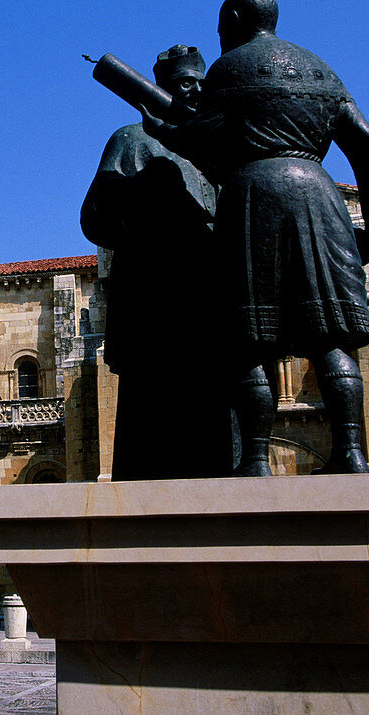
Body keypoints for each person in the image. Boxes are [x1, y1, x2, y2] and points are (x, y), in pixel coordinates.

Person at [140, 0, 369, 475]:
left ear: (231, 22)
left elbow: (201, 138)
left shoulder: (231, 68)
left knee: (246, 339)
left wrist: (164, 130)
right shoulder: (317, 67)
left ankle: (254, 459)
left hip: (253, 196)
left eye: (219, 30)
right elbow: (367, 139)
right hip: (319, 194)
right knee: (331, 335)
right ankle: (352, 453)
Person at [82, 44, 235, 479]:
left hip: (208, 302)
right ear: (162, 87)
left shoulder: (214, 149)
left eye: (203, 83)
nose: (197, 91)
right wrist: (145, 196)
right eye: (187, 83)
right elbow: (94, 220)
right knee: (150, 425)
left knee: (216, 428)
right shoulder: (132, 139)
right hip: (152, 299)